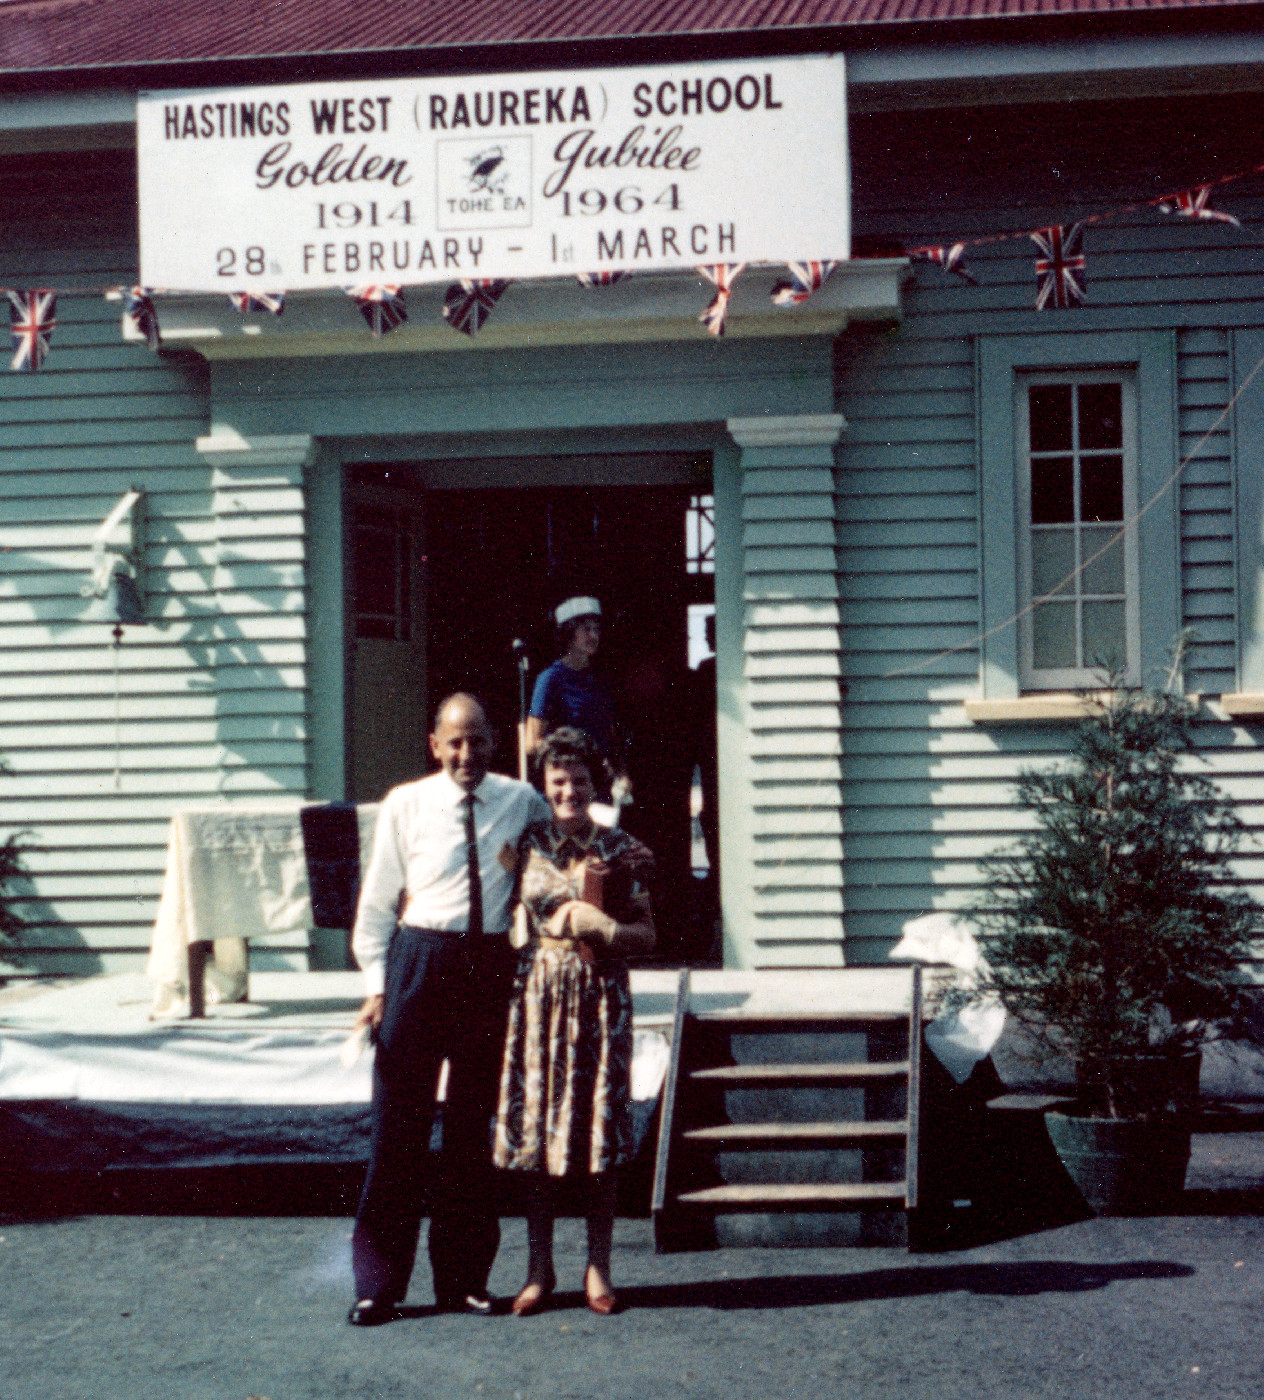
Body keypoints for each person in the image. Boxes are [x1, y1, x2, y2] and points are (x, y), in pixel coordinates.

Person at [346, 693, 549, 1327]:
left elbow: (560, 858)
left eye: (479, 741)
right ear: (435, 744)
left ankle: (462, 1280)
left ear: (494, 743)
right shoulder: (405, 804)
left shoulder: (522, 802)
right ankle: (379, 1287)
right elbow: (376, 908)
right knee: (398, 1129)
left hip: (486, 968)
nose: (467, 754)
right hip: (419, 962)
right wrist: (380, 984)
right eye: (455, 742)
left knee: (470, 1129)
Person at [494, 727, 656, 1317]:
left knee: (596, 1135)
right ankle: (538, 1270)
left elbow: (648, 933)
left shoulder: (620, 848)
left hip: (600, 999)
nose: (568, 789)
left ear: (596, 783)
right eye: (558, 780)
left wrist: (605, 928)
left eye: (579, 779)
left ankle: (599, 1268)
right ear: (544, 784)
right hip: (537, 997)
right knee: (538, 1136)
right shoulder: (522, 843)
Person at [525, 596, 620, 777]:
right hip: (566, 782)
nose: (593, 636)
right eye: (586, 629)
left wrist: (621, 774)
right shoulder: (550, 679)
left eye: (596, 630)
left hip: (599, 783)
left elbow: (610, 737)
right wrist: (571, 757)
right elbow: (532, 743)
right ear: (569, 633)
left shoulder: (599, 680)